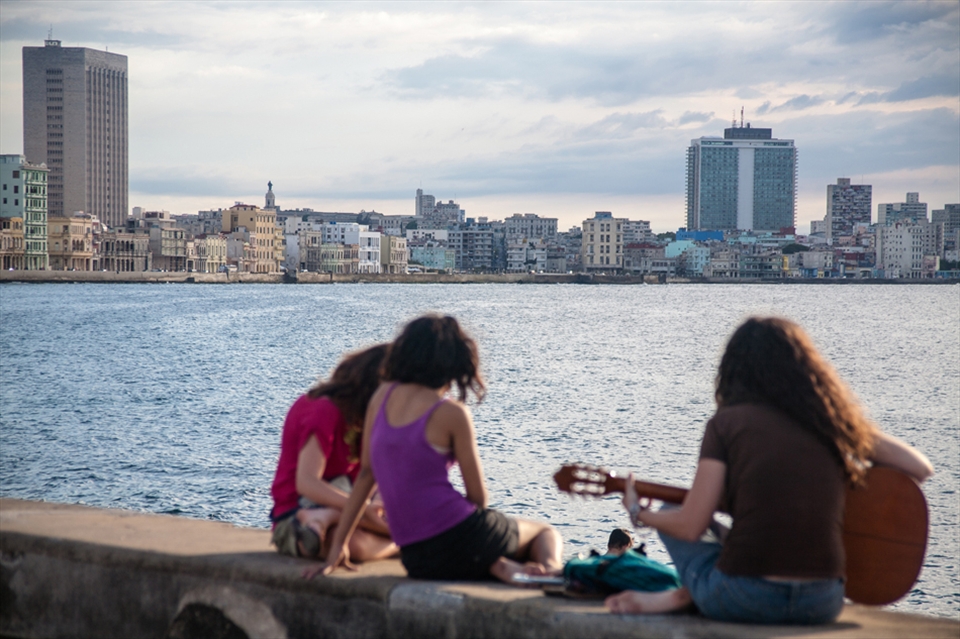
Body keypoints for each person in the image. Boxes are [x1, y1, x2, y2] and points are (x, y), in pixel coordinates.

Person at [605, 317, 934, 623]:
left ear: (733, 371)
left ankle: (685, 596)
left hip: (744, 598)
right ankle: (689, 595)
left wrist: (638, 513)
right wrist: (849, 428)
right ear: (807, 371)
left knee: (670, 511)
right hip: (823, 601)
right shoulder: (829, 423)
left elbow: (692, 525)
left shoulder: (726, 425)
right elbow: (919, 468)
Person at [305, 314, 563, 584]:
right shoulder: (451, 413)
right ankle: (552, 575)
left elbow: (367, 476)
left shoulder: (382, 396)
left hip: (417, 557)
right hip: (461, 536)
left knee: (472, 545)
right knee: (544, 532)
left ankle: (497, 564)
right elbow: (479, 498)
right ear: (454, 362)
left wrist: (337, 548)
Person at [269, 344, 397, 562]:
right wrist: (364, 510)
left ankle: (328, 517)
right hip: (294, 518)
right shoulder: (323, 410)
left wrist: (375, 503)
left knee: (399, 528)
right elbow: (307, 482)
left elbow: (374, 479)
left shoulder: (362, 420)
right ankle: (404, 546)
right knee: (358, 546)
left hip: (338, 511)